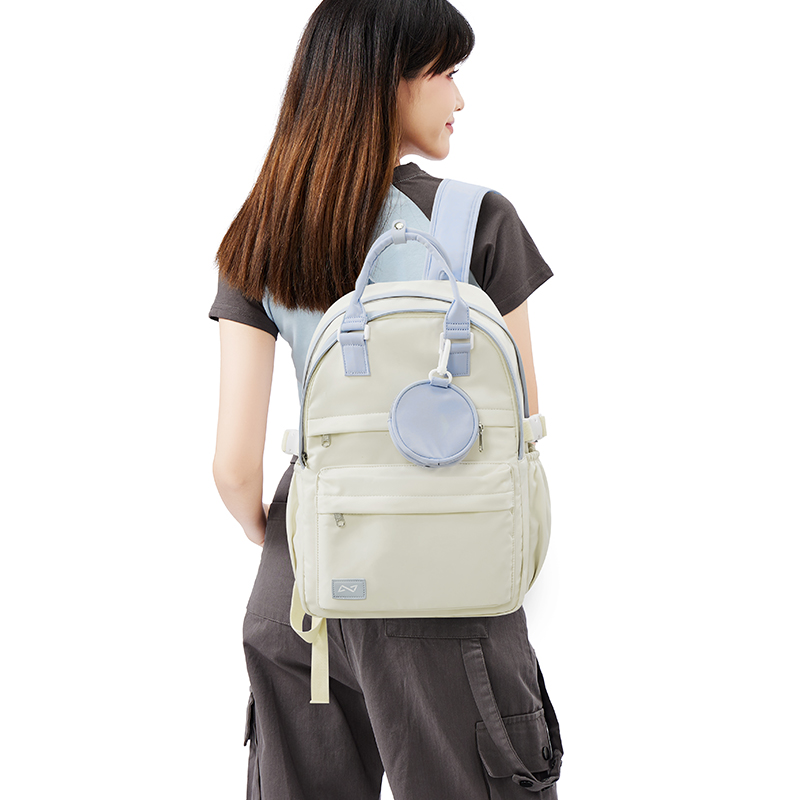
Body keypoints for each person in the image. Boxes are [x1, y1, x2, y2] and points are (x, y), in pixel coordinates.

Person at [209, 1, 562, 797]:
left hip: (298, 597)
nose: (459, 98)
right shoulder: (479, 220)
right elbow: (519, 427)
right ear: (387, 80)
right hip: (445, 585)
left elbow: (233, 468)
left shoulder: (262, 229)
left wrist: (292, 534)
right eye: (445, 72)